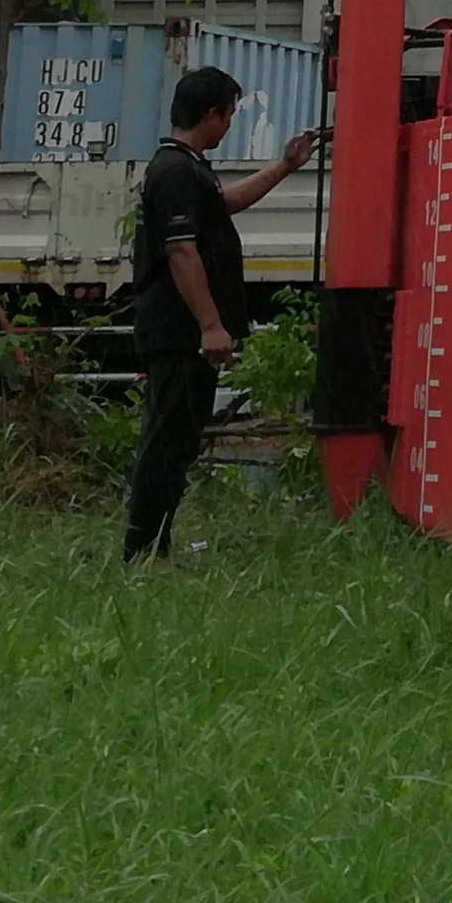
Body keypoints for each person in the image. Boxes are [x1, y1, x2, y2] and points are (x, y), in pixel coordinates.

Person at [125, 69, 320, 561]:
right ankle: (142, 551)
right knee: (166, 441)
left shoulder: (191, 169)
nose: (230, 125)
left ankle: (155, 547)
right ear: (210, 114)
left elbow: (224, 204)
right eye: (229, 115)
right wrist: (211, 325)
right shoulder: (173, 172)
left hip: (185, 331)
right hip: (178, 331)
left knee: (180, 441)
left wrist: (286, 165)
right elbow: (181, 253)